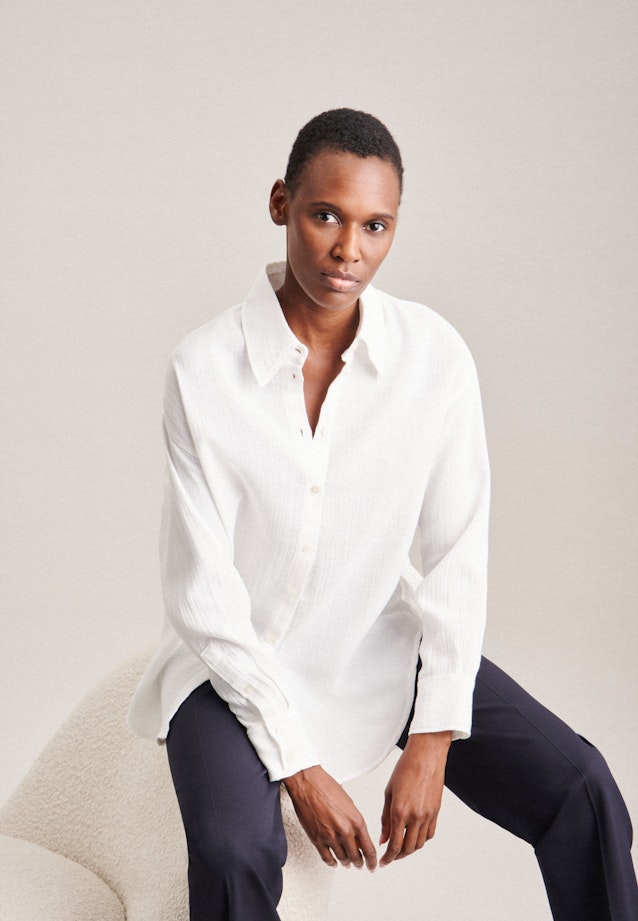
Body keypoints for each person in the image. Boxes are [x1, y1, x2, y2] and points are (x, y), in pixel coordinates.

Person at [128, 108, 638, 921]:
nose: (349, 249)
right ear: (280, 203)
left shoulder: (433, 359)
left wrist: (434, 736)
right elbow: (202, 595)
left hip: (374, 640)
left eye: (375, 225)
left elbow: (456, 553)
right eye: (325, 215)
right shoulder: (203, 371)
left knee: (580, 786)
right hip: (231, 669)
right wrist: (301, 768)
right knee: (233, 851)